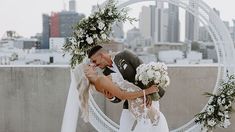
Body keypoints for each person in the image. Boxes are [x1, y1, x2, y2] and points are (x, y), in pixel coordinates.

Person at [86, 45, 168, 132]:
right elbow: (119, 96)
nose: (95, 65)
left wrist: (149, 95)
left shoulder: (125, 55)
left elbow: (145, 72)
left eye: (94, 61)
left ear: (101, 55)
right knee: (123, 129)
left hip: (147, 100)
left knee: (151, 125)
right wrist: (111, 97)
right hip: (129, 104)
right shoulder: (106, 74)